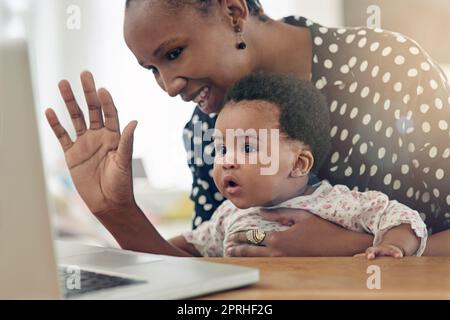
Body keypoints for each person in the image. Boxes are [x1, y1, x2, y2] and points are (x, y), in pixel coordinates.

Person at [45, 0, 450, 256]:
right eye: (153, 69)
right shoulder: (206, 129)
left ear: (234, 13)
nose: (169, 87)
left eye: (173, 53)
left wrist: (352, 247)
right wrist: (116, 212)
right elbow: (213, 268)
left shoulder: (388, 66)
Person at [185, 72, 428, 259]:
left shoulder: (334, 204)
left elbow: (402, 218)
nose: (227, 161)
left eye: (247, 148)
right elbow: (192, 245)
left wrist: (392, 247)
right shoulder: (228, 215)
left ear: (299, 164)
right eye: (222, 149)